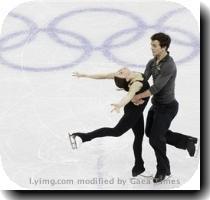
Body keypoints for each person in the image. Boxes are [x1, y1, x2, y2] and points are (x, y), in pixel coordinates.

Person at [132, 32, 198, 183]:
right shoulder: (152, 62)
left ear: (164, 47)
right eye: (151, 45)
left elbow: (155, 88)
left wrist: (138, 97)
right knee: (150, 133)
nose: (152, 48)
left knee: (155, 139)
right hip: (156, 106)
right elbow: (144, 81)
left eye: (154, 46)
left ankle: (163, 170)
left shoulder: (169, 65)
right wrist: (132, 89)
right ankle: (186, 141)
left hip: (168, 107)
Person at [70, 68, 150, 177]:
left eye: (119, 71)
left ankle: (139, 166)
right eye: (120, 73)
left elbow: (104, 75)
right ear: (126, 78)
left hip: (137, 110)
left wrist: (85, 74)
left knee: (139, 136)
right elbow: (129, 95)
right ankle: (83, 137)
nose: (120, 70)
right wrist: (120, 105)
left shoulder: (132, 75)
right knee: (116, 131)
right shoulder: (136, 84)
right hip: (133, 111)